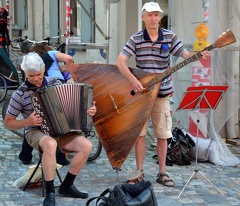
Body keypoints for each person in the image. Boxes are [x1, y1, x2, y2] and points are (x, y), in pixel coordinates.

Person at [116, 2, 210, 187]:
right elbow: (120, 61)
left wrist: (199, 54)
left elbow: (185, 55)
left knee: (163, 134)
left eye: (156, 15)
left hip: (163, 93)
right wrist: (134, 81)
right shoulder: (136, 39)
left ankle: (162, 172)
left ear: (159, 17)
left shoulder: (169, 36)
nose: (153, 19)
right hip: (142, 95)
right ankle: (140, 171)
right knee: (140, 135)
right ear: (143, 17)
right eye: (150, 15)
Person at [4, 52, 97, 205]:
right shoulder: (19, 94)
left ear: (44, 68)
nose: (36, 79)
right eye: (31, 76)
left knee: (86, 145)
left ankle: (66, 186)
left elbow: (75, 105)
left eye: (39, 74)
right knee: (50, 144)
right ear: (24, 72)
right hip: (35, 131)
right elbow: (8, 123)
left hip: (60, 130)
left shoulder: (55, 83)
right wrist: (27, 121)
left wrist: (90, 110)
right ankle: (50, 192)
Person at [18, 43, 74, 165]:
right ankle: (61, 157)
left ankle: (25, 155)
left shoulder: (36, 65)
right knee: (59, 122)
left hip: (43, 88)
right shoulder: (51, 54)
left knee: (37, 120)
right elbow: (69, 59)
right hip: (57, 86)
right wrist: (63, 69)